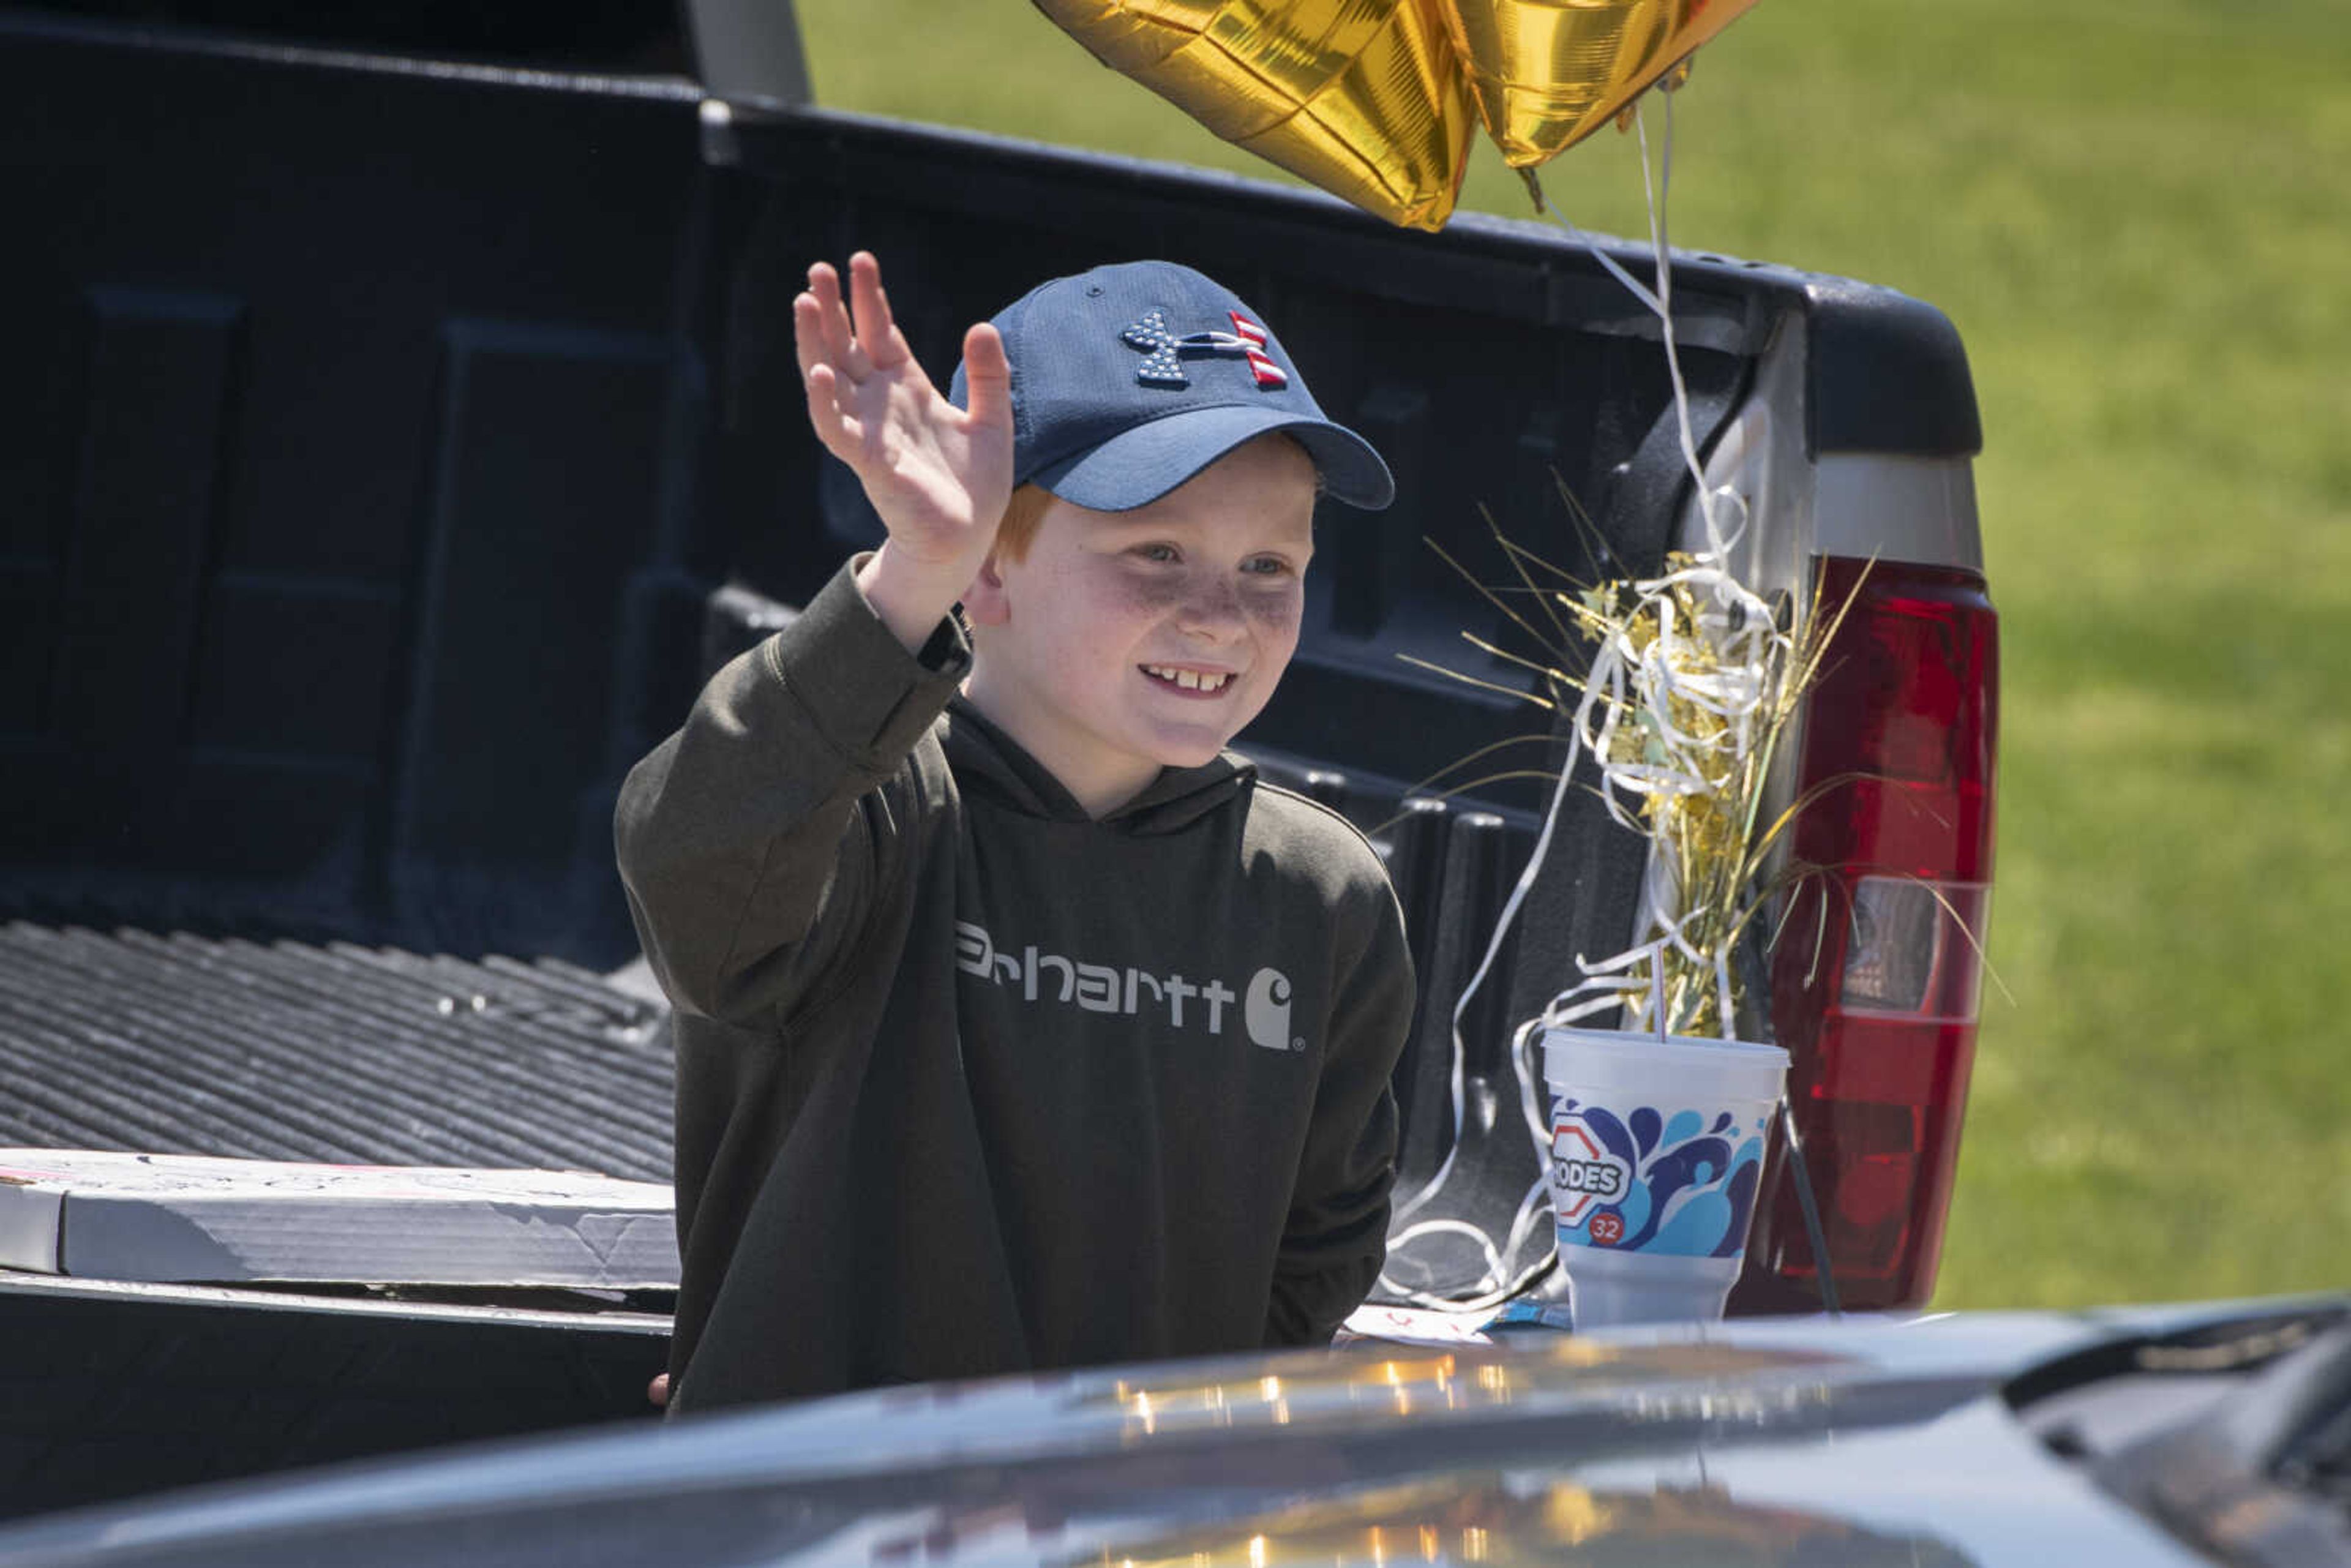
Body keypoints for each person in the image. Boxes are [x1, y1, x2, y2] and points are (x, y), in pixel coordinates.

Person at [616, 251, 1414, 1413]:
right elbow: (692, 867)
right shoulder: (868, 810)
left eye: (1268, 565)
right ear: (989, 571)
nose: (1221, 615)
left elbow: (1316, 1262)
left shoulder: (1318, 893)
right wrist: (906, 579)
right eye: (1157, 552)